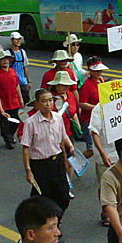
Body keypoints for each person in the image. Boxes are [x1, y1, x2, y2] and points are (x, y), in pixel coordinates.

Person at [21, 89, 75, 220]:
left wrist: (70, 146)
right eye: (44, 101)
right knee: (44, 197)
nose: (48, 104)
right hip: (40, 165)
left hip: (57, 162)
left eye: (50, 100)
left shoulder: (57, 118)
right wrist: (28, 170)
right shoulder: (30, 123)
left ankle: (55, 220)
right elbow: (26, 148)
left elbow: (63, 135)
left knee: (64, 196)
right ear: (37, 104)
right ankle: (44, 222)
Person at [89, 102, 119, 227]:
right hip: (106, 154)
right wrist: (102, 154)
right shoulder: (98, 109)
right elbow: (94, 133)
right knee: (104, 185)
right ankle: (106, 212)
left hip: (120, 152)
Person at [47, 70, 80, 182]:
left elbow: (73, 112)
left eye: (67, 85)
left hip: (68, 133)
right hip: (54, 135)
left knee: (69, 161)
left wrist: (77, 124)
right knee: (58, 162)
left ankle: (67, 185)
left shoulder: (70, 95)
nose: (65, 87)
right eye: (62, 85)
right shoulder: (51, 98)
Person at [0, 50, 24, 150]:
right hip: (2, 103)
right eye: (2, 60)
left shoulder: (12, 71)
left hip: (14, 102)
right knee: (4, 123)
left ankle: (9, 135)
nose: (5, 61)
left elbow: (17, 86)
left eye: (6, 59)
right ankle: (8, 140)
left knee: (16, 121)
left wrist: (21, 99)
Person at [79, 56, 109, 159]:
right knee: (91, 149)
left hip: (99, 118)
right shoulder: (86, 86)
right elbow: (81, 103)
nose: (99, 72)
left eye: (100, 70)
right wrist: (96, 108)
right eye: (96, 71)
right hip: (88, 120)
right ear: (90, 71)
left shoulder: (101, 80)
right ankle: (74, 163)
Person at [8, 32, 32, 105]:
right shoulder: (8, 53)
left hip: (22, 82)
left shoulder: (22, 52)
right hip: (13, 82)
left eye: (19, 39)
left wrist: (28, 81)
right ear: (12, 40)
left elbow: (24, 67)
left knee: (26, 102)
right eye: (16, 39)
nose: (18, 41)